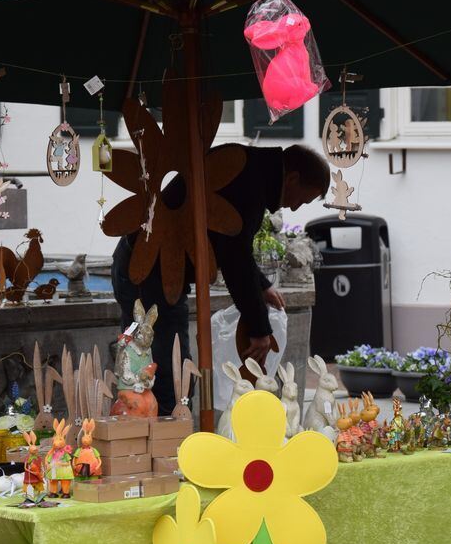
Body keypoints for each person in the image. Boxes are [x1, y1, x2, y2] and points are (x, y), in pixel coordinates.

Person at [111, 144, 329, 415]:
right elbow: (234, 256)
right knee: (163, 371)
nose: (295, 207)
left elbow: (230, 244)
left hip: (155, 269)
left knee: (172, 371)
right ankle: (158, 445)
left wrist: (261, 285)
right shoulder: (247, 178)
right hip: (147, 269)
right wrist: (260, 329)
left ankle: (165, 434)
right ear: (293, 178)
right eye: (302, 200)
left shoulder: (249, 170)